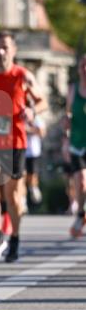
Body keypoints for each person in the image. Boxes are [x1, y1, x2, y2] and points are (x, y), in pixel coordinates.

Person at [0, 31, 46, 263]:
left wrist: (32, 111)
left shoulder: (23, 76)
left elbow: (41, 101)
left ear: (13, 50)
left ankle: (14, 237)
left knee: (13, 198)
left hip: (15, 142)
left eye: (5, 47)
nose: (1, 52)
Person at [63, 53, 86, 238]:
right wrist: (66, 126)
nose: (85, 69)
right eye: (82, 66)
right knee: (80, 181)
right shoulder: (73, 89)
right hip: (77, 142)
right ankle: (80, 214)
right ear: (78, 69)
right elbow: (67, 115)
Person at [24, 105, 45, 207]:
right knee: (22, 176)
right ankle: (22, 200)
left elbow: (42, 132)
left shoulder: (36, 118)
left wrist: (29, 129)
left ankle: (33, 187)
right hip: (21, 151)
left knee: (32, 175)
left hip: (33, 152)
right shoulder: (18, 117)